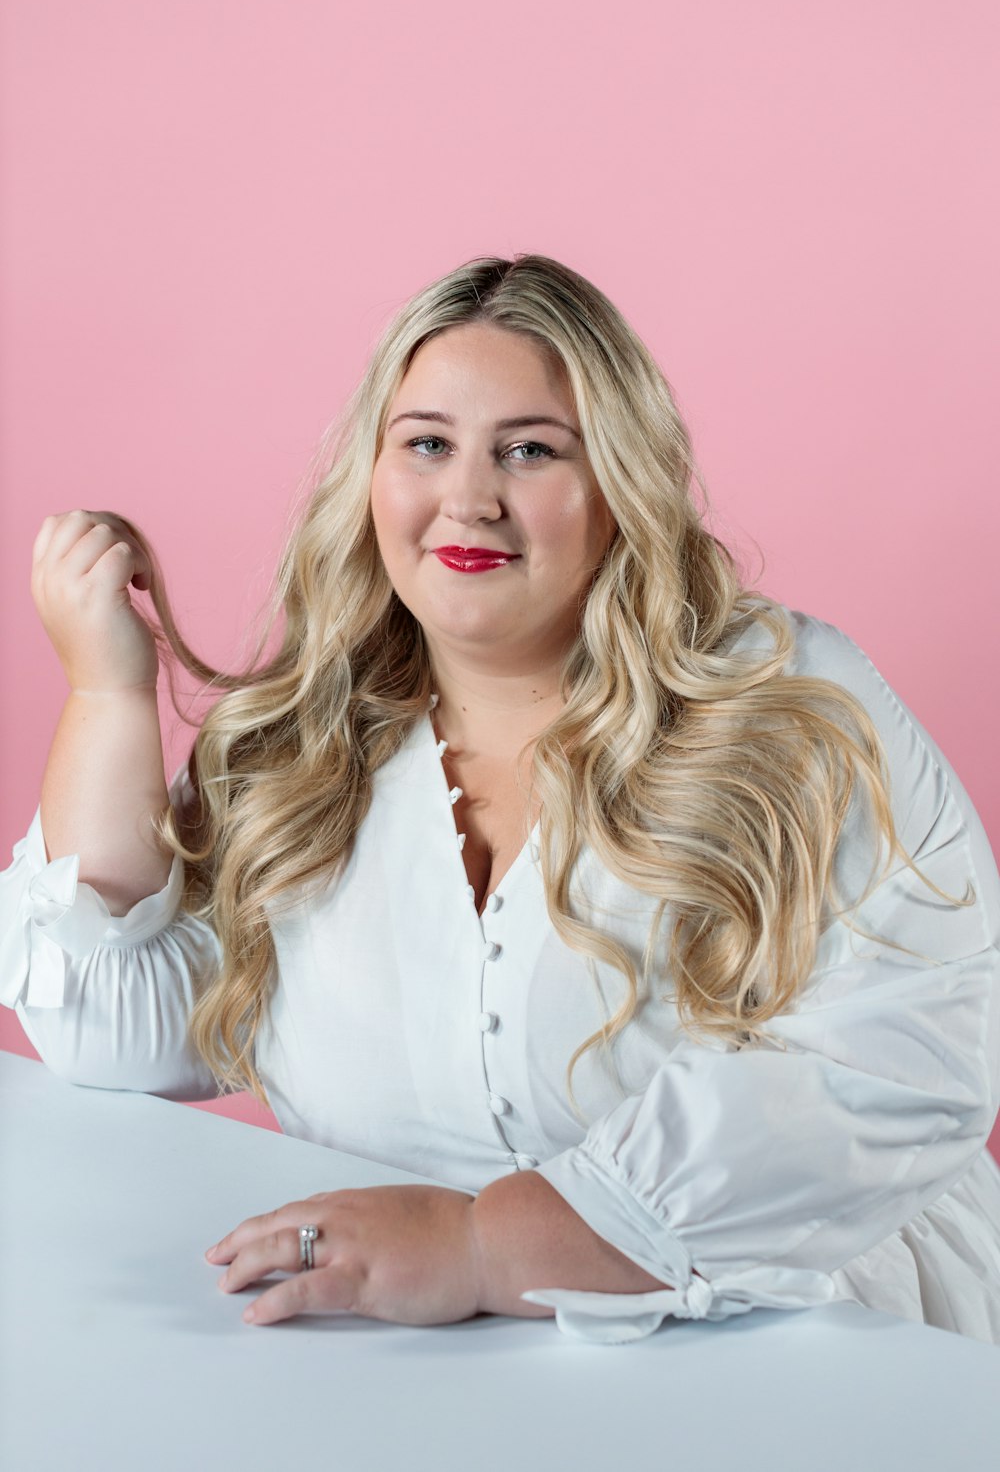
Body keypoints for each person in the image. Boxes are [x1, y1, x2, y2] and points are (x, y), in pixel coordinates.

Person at [2, 254, 999, 1345]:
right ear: (372, 478)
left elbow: (912, 1057)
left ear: (618, 483)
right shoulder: (304, 743)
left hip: (807, 1342)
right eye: (427, 443)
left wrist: (488, 1246)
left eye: (529, 450)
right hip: (430, 1373)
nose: (468, 499)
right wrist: (107, 691)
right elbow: (118, 1034)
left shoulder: (787, 702)